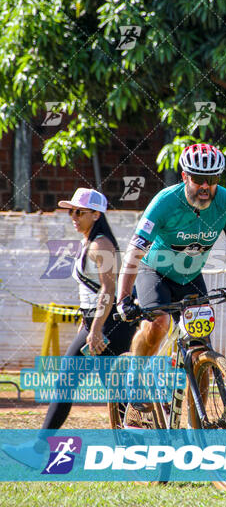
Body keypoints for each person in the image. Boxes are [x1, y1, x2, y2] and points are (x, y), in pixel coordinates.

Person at [3, 188, 136, 468]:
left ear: (96, 215)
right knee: (117, 392)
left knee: (69, 384)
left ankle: (38, 449)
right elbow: (91, 293)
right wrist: (85, 325)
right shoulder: (89, 242)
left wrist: (96, 329)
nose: (72, 216)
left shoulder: (101, 245)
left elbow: (108, 291)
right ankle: (141, 447)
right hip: (98, 324)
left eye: (79, 212)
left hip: (108, 327)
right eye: (70, 211)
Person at [116, 143, 226, 367]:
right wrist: (123, 298)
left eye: (213, 179)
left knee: (201, 348)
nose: (205, 186)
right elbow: (134, 252)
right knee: (158, 323)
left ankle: (197, 403)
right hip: (155, 271)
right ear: (185, 176)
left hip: (190, 276)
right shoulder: (164, 202)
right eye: (198, 178)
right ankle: (134, 379)